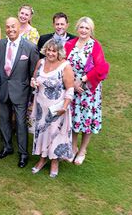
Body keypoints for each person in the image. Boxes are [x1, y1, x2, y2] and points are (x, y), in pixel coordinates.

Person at [64, 16, 109, 166]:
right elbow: (64, 64)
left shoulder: (95, 45)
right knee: (75, 119)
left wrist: (83, 80)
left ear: (91, 30)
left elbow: (101, 67)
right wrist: (72, 83)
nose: (83, 30)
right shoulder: (70, 44)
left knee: (87, 120)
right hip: (73, 87)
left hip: (88, 90)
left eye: (87, 28)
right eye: (81, 27)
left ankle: (83, 150)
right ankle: (73, 146)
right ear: (77, 28)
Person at [0, 17, 39, 168]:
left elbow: (33, 72)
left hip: (21, 91)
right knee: (4, 120)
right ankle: (7, 147)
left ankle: (23, 153)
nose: (10, 29)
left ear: (19, 27)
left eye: (13, 26)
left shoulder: (30, 47)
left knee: (20, 123)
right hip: (3, 89)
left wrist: (30, 93)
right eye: (7, 27)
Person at [30, 39, 75, 178]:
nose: (50, 53)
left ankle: (54, 162)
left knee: (55, 133)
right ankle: (42, 159)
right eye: (48, 50)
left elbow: (70, 89)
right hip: (41, 106)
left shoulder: (65, 66)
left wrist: (65, 107)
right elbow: (34, 77)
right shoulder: (41, 62)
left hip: (57, 108)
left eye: (54, 51)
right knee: (42, 132)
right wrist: (33, 82)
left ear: (59, 52)